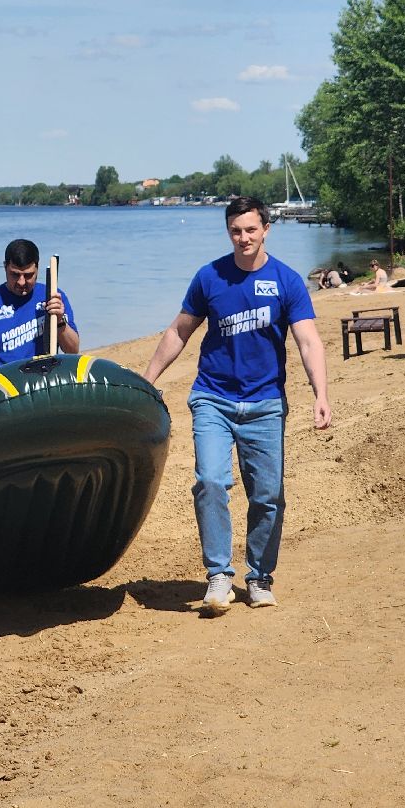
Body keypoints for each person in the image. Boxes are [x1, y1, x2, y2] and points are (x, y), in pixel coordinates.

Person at [141, 196, 331, 615]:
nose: (243, 238)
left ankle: (260, 577)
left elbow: (307, 339)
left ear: (266, 229)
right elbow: (179, 332)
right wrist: (146, 381)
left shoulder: (286, 280)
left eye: (250, 230)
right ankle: (218, 576)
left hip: (265, 404)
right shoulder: (209, 277)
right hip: (213, 398)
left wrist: (321, 394)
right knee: (210, 481)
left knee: (267, 496)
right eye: (235, 231)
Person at [0, 238, 79, 367]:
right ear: (5, 268)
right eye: (15, 275)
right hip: (3, 381)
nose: (21, 282)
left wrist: (60, 321)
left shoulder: (52, 297)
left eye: (28, 275)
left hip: (43, 377)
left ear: (37, 269)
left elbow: (72, 351)